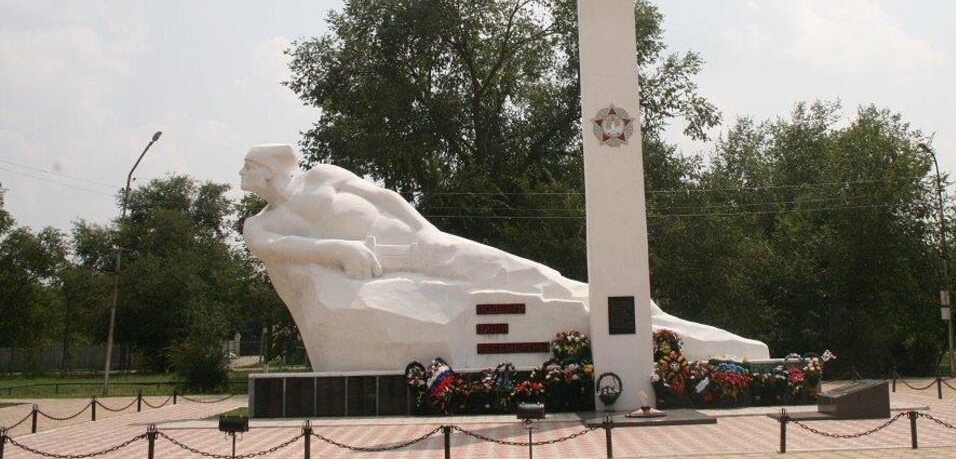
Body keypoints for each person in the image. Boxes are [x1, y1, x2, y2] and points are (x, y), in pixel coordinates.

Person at [240, 144, 769, 370]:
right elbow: (287, 250)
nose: (243, 178)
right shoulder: (260, 224)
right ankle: (651, 322)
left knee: (524, 274)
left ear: (266, 168)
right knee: (523, 281)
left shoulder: (324, 175)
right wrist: (341, 250)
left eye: (248, 168)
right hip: (384, 269)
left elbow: (385, 198)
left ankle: (653, 322)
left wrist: (430, 232)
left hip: (420, 245)